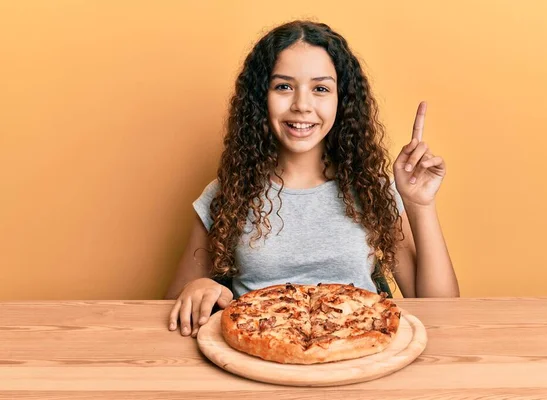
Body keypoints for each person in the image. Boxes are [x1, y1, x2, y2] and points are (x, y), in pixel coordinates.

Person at [165, 20, 459, 338]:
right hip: (261, 360)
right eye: (283, 86)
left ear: (341, 100)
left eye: (320, 89)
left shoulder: (372, 191)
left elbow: (441, 308)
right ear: (260, 98)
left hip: (356, 357)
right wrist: (198, 288)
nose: (302, 105)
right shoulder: (227, 194)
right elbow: (173, 308)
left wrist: (420, 204)